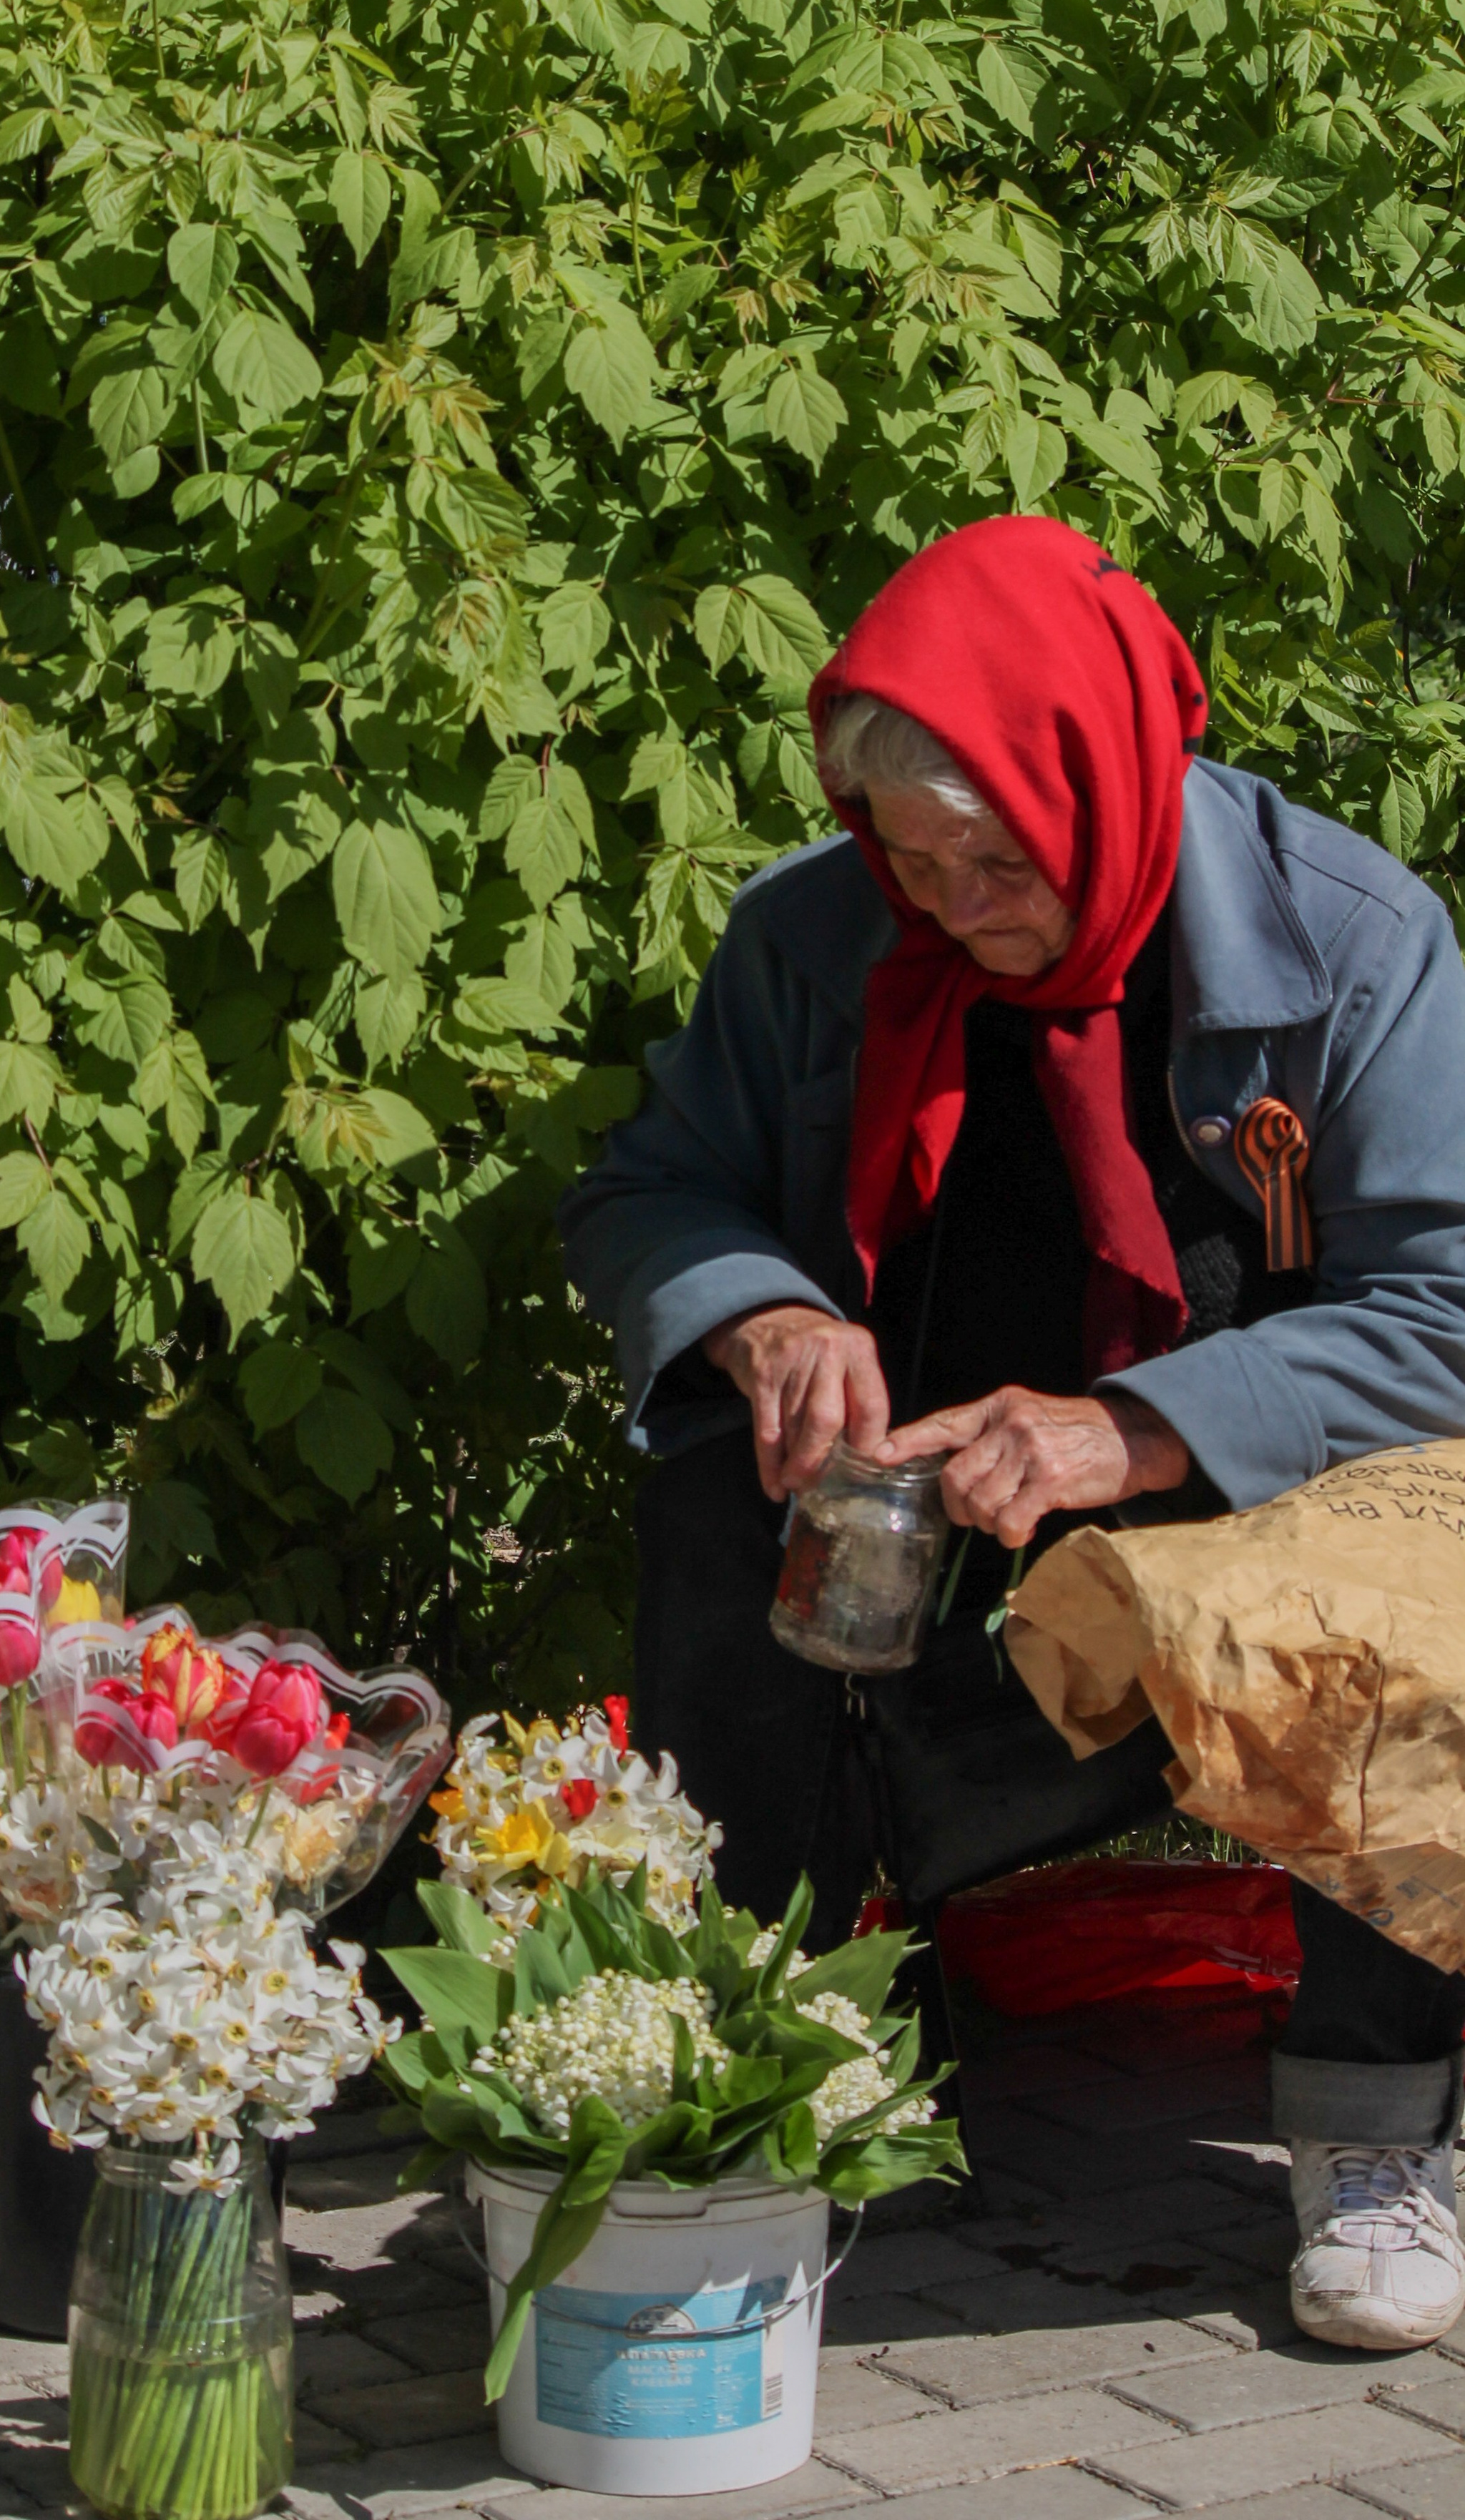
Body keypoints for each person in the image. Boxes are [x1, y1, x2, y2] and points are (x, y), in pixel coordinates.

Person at [561, 516, 1465, 2353]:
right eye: (911, 863)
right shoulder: (814, 931)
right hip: (917, 1477)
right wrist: (762, 1314)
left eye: (995, 863)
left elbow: (1444, 1313)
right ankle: (776, 2059)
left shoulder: (1354, 939)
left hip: (1235, 1489)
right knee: (706, 1504)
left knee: (1415, 1552)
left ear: (1104, 782)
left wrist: (1135, 1429)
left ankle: (1372, 2130)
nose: (950, 910)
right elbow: (649, 1192)